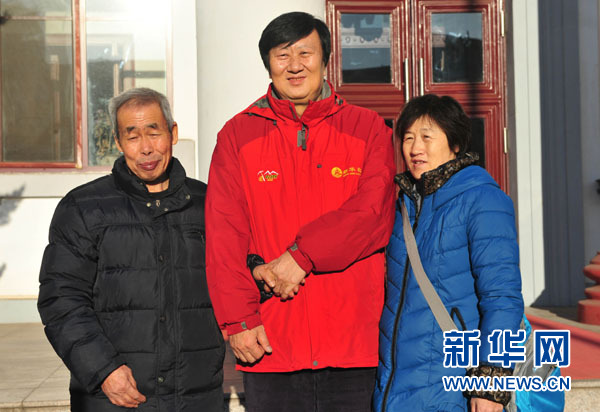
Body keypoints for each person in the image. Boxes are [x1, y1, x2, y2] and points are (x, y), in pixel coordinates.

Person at [205, 11, 395, 412]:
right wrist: (238, 322)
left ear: (325, 59)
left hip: (353, 344)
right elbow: (224, 236)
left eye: (305, 53)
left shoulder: (367, 129)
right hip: (271, 341)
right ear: (268, 64)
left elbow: (373, 215)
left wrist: (301, 257)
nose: (294, 66)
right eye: (282, 55)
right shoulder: (237, 135)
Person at [38, 88, 225, 411]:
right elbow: (61, 299)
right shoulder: (84, 207)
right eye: (133, 136)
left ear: (173, 133)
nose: (146, 148)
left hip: (194, 395)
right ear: (118, 141)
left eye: (154, 132)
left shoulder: (208, 204)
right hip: (114, 396)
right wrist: (102, 369)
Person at [374, 94, 524, 412]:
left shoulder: (482, 200)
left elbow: (502, 297)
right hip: (394, 389)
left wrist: (491, 383)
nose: (415, 148)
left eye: (427, 137)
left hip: (452, 389)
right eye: (408, 138)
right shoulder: (402, 206)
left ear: (454, 143)